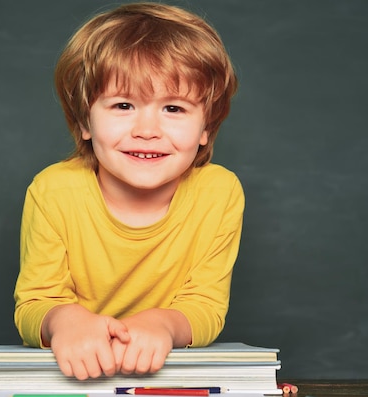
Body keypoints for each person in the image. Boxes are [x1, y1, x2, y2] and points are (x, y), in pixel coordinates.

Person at [13, 1, 244, 381]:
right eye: (123, 105)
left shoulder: (219, 193)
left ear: (206, 127)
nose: (147, 130)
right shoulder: (53, 190)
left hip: (167, 378)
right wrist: (65, 321)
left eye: (174, 108)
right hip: (72, 377)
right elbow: (34, 303)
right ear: (85, 120)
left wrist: (164, 325)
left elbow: (206, 304)